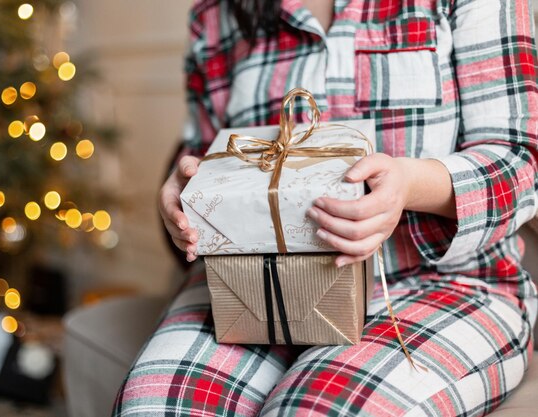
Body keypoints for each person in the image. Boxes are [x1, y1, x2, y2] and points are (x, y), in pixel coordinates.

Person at [114, 0, 538, 415]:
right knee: (151, 404)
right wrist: (184, 186)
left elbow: (520, 162)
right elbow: (204, 156)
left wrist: (407, 185)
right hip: (252, 289)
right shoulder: (215, 14)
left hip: (441, 283)